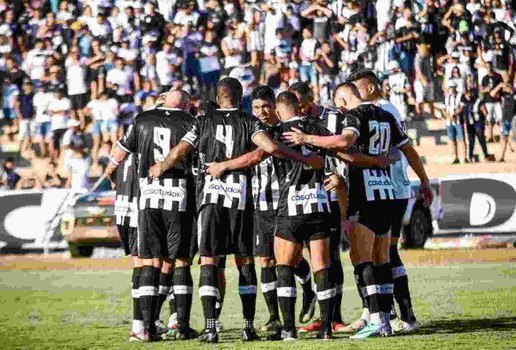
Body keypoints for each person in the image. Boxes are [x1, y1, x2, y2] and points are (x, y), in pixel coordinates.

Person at [148, 77, 322, 343]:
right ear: (241, 99)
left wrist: (160, 167)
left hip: (212, 200)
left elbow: (180, 150)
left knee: (209, 260)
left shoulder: (202, 121)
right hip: (241, 200)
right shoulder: (248, 121)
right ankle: (248, 327)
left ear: (218, 98)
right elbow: (272, 147)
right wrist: (304, 157)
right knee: (245, 261)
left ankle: (210, 328)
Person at [282, 82, 432, 339]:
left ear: (343, 98)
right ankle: (384, 320)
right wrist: (425, 181)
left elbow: (344, 141)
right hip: (387, 191)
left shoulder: (354, 115)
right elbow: (405, 151)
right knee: (381, 259)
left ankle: (374, 319)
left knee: (361, 259)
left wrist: (307, 139)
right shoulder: (385, 115)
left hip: (365, 194)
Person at [106, 90, 198, 342]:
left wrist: (110, 170)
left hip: (148, 198)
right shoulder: (191, 122)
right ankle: (181, 324)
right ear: (187, 105)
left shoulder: (142, 119)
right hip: (178, 196)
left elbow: (120, 152)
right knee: (180, 260)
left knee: (149, 261)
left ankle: (144, 328)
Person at [112, 152, 143, 341]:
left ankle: (143, 322)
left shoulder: (121, 148)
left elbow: (109, 170)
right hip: (139, 207)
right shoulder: (144, 141)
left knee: (138, 263)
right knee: (151, 263)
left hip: (122, 207)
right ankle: (141, 324)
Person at [462, 89, 494, 162]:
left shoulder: (478, 101)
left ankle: (486, 155)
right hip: (469, 123)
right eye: (466, 94)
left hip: (478, 123)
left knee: (481, 139)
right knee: (471, 141)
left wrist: (486, 119)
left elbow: (484, 111)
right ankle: (470, 156)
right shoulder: (465, 102)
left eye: (469, 93)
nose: (468, 95)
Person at [444, 81, 467, 164]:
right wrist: (448, 116)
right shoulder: (447, 97)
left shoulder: (460, 96)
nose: (451, 89)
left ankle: (464, 157)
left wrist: (454, 115)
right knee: (452, 139)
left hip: (458, 120)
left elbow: (461, 107)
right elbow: (444, 109)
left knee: (461, 139)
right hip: (449, 121)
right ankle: (455, 157)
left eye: (453, 87)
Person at [480, 61, 503, 142]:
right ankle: (490, 136)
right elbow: (481, 90)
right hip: (488, 101)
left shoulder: (498, 76)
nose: (489, 68)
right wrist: (486, 89)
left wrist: (498, 93)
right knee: (489, 119)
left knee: (500, 119)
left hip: (497, 101)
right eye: (487, 67)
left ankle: (501, 135)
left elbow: (502, 87)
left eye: (490, 66)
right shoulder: (484, 78)